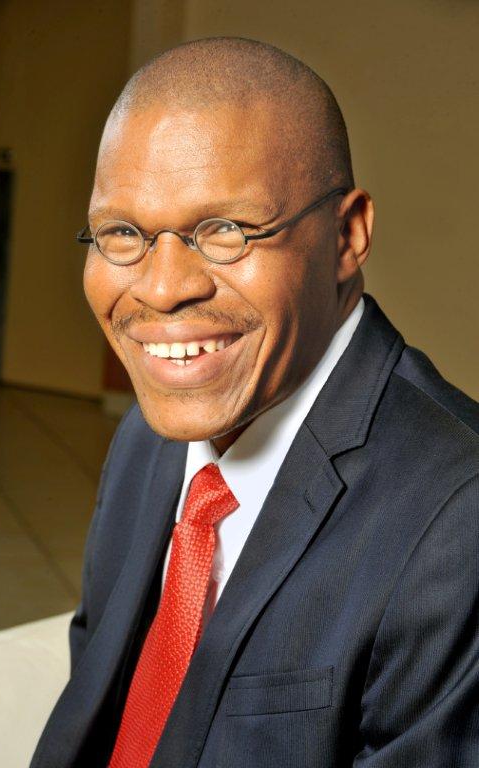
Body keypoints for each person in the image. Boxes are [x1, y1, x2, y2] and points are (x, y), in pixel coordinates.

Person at [31, 37, 479, 768]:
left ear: (347, 236)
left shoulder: (460, 522)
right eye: (122, 233)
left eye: (226, 231)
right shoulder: (148, 438)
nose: (163, 287)